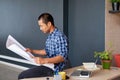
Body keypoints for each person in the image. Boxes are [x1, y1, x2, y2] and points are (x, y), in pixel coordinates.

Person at [18, 13, 68, 79]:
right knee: (24, 75)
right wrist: (32, 51)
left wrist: (44, 60)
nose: (40, 28)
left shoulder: (59, 36)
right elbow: (46, 51)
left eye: (41, 26)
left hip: (55, 70)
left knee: (22, 76)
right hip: (48, 65)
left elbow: (62, 57)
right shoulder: (50, 36)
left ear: (49, 24)